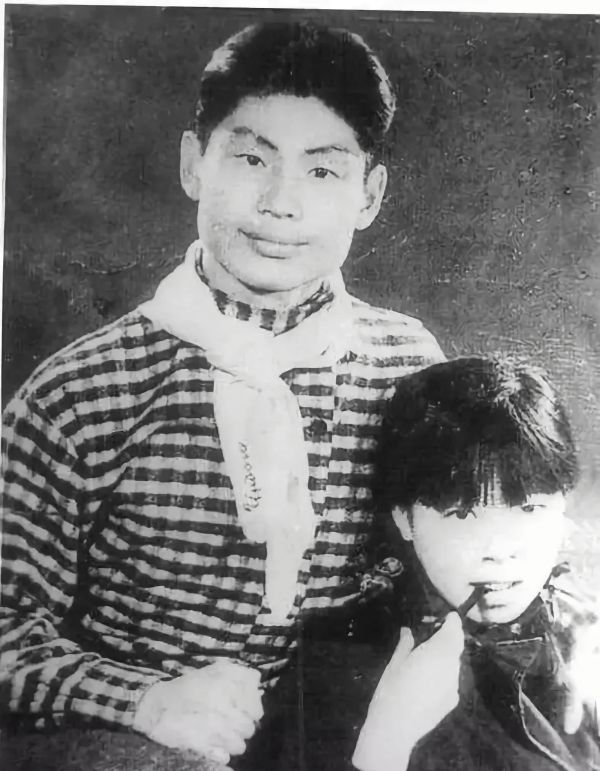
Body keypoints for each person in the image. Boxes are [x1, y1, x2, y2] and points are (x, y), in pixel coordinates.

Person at [0, 21, 446, 765]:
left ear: (369, 196)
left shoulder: (406, 366)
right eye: (250, 158)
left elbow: (479, 547)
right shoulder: (83, 390)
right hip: (139, 744)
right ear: (193, 165)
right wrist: (140, 700)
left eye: (323, 172)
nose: (280, 203)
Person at [353, 356, 600, 771]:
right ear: (404, 519)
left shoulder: (586, 636)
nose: (499, 550)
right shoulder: (337, 663)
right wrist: (382, 748)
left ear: (563, 507)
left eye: (529, 509)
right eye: (463, 514)